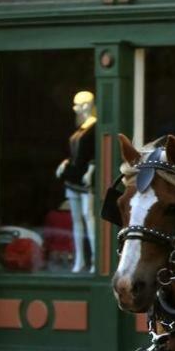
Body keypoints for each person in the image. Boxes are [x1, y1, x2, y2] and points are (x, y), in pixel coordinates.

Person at [55, 91, 97, 273]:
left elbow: (96, 151)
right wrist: (65, 163)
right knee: (77, 221)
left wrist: (92, 169)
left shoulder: (95, 126)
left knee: (90, 219)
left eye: (82, 104)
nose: (79, 108)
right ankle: (79, 260)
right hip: (72, 178)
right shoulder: (80, 128)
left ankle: (96, 260)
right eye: (78, 104)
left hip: (86, 181)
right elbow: (76, 154)